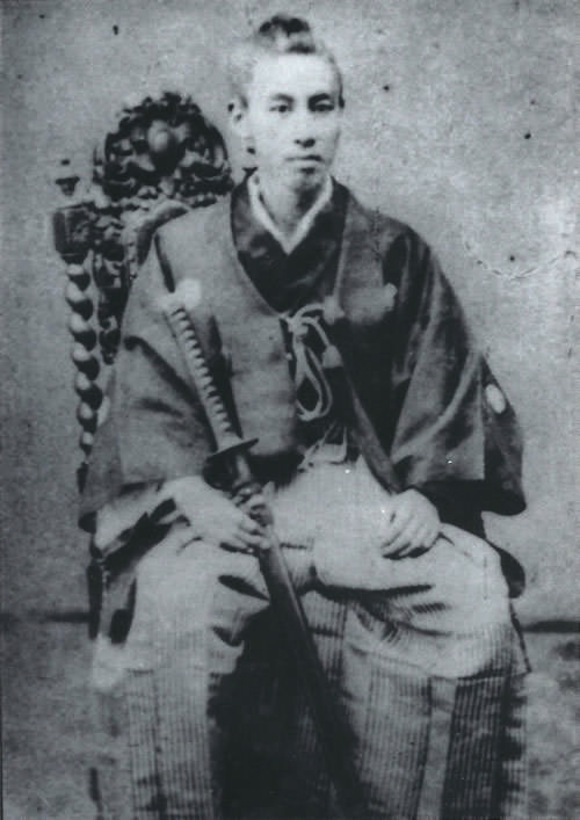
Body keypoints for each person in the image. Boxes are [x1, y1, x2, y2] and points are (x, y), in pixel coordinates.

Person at [81, 14, 529, 819]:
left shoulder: (393, 249)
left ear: (342, 115)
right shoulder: (181, 250)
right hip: (227, 498)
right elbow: (148, 397)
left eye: (322, 106)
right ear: (242, 122)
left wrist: (427, 494)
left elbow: (444, 378)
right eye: (280, 108)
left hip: (357, 486)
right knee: (176, 609)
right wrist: (190, 494)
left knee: (472, 605)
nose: (305, 129)